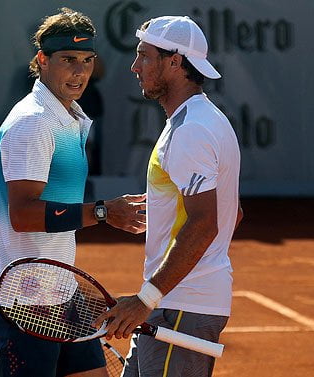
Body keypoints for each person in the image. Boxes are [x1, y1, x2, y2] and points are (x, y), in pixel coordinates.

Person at [0, 8, 146, 377]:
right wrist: (103, 212)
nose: (79, 71)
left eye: (87, 61)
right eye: (68, 60)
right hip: (21, 300)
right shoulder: (33, 124)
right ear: (42, 60)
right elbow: (23, 216)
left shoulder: (69, 117)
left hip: (59, 291)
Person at [93, 16, 243, 377]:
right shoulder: (201, 120)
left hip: (180, 306)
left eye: (144, 56)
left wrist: (146, 299)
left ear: (175, 62)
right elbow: (232, 213)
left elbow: (207, 222)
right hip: (174, 301)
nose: (134, 66)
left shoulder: (192, 130)